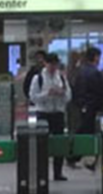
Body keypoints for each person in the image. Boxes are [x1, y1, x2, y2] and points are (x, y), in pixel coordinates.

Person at [29, 53, 72, 181]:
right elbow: (33, 97)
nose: (53, 67)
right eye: (50, 64)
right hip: (43, 113)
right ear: (45, 64)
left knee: (59, 143)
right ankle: (42, 172)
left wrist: (61, 94)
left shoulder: (62, 78)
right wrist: (47, 94)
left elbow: (69, 96)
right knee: (42, 144)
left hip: (58, 113)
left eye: (55, 64)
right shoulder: (38, 78)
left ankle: (58, 172)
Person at [70, 46, 103, 169]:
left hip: (83, 106)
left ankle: (74, 156)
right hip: (92, 107)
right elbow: (102, 90)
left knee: (82, 131)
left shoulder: (81, 71)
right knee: (88, 133)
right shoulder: (95, 72)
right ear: (96, 57)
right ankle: (76, 156)